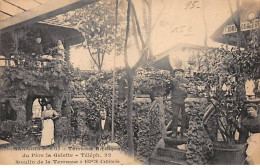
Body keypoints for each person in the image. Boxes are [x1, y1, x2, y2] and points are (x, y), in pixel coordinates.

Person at [164, 69, 189, 138]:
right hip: (175, 100)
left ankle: (183, 131)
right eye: (176, 73)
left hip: (184, 100)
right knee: (175, 115)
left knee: (184, 115)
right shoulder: (172, 81)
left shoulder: (186, 81)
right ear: (174, 74)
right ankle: (174, 131)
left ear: (182, 74)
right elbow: (168, 90)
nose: (178, 74)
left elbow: (189, 90)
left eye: (180, 73)